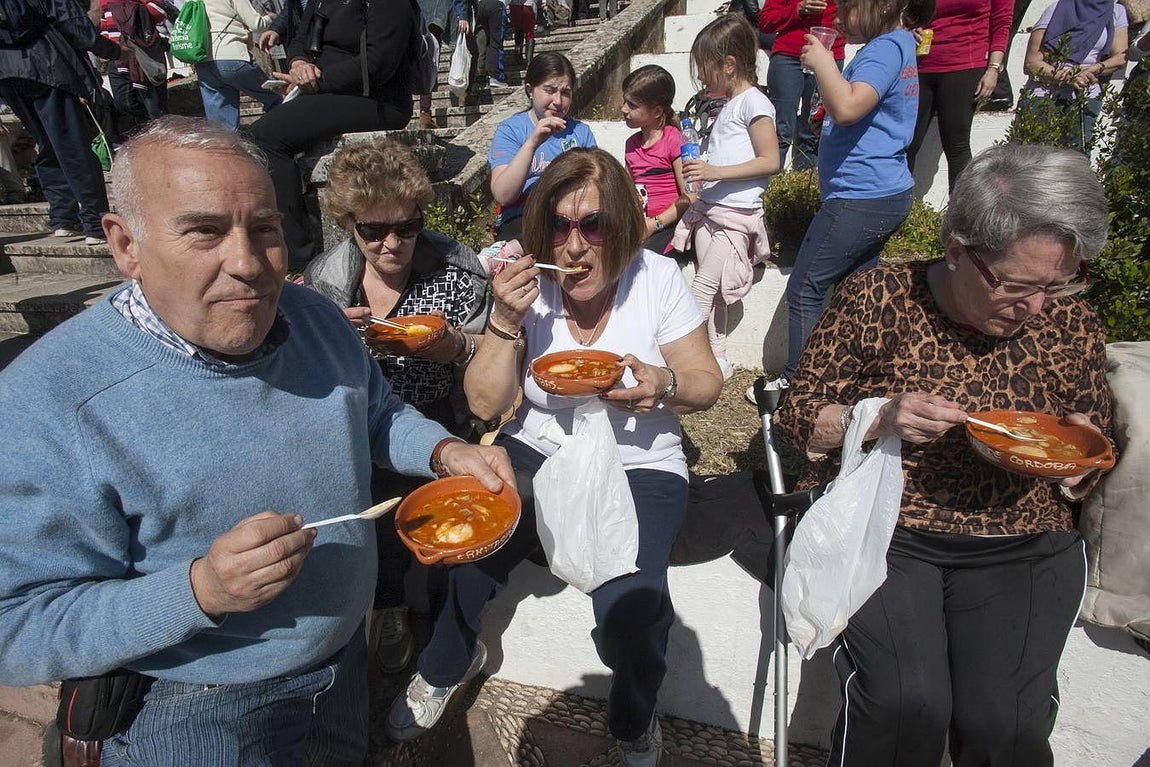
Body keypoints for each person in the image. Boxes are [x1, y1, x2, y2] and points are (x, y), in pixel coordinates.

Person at [0, 116, 513, 765]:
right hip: (195, 706)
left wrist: (444, 451)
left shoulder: (318, 319)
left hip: (342, 663)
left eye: (264, 229)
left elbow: (375, 413)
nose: (247, 264)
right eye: (204, 231)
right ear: (126, 244)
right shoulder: (47, 401)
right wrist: (201, 589)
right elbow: (17, 626)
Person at [776, 143, 1114, 767]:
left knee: (1004, 728)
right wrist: (876, 417)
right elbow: (798, 421)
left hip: (1024, 538)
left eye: (1056, 286)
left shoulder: (1070, 323)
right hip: (888, 530)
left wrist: (1072, 461)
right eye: (1017, 284)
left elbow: (1094, 447)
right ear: (957, 248)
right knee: (907, 707)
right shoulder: (879, 295)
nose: (1036, 308)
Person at [386, 148, 723, 766]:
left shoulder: (657, 279)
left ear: (622, 225)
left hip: (640, 460)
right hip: (539, 445)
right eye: (559, 227)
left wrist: (663, 385)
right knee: (468, 550)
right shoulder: (529, 291)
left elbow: (705, 381)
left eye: (593, 224)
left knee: (634, 607)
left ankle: (632, 723)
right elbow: (486, 405)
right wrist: (506, 323)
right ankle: (447, 664)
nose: (573, 246)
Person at [302, 136, 492, 673]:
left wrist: (453, 345)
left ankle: (438, 610)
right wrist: (327, 337)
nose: (391, 244)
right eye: (373, 231)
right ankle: (388, 604)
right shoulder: (325, 283)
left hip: (440, 415)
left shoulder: (457, 268)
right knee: (375, 510)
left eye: (405, 228)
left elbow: (486, 357)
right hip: (361, 424)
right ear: (348, 223)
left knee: (444, 512)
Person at [776, 0, 920, 387]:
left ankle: (801, 387)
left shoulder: (884, 49)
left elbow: (848, 107)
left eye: (846, 8)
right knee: (860, 295)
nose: (836, 19)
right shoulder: (900, 43)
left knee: (805, 288)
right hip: (881, 194)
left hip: (861, 196)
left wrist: (823, 63)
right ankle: (857, 378)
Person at [248, 0, 418, 268]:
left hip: (376, 98)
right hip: (326, 90)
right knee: (260, 135)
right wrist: (299, 63)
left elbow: (379, 62)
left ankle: (296, 258)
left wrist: (317, 81)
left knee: (266, 136)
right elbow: (300, 38)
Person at [672, 14, 779, 380]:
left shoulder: (754, 102)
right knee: (711, 288)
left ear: (729, 65)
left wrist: (714, 171)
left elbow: (770, 160)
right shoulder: (729, 106)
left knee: (701, 287)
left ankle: (680, 358)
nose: (702, 78)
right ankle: (716, 356)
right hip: (710, 210)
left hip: (736, 215)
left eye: (706, 69)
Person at [0, 0, 127, 245]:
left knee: (45, 142)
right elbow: (76, 26)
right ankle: (95, 222)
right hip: (47, 66)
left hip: (8, 75)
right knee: (72, 144)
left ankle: (63, 217)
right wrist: (115, 51)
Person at [488, 51, 597, 240]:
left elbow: (596, 185)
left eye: (565, 93)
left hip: (571, 218)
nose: (558, 101)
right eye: (550, 90)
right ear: (530, 90)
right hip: (522, 219)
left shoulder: (581, 133)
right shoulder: (511, 130)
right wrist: (532, 143)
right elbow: (503, 195)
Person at [906, 0, 1012, 190]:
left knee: (956, 146)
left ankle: (961, 214)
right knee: (907, 143)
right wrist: (908, 29)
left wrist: (993, 69)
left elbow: (1001, 22)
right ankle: (896, 210)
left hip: (965, 65)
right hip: (921, 65)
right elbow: (907, 12)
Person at [1019, 0, 1129, 151]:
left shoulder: (1116, 11)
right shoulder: (1057, 8)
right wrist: (1068, 77)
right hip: (1044, 94)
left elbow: (1121, 57)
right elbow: (1032, 63)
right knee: (1033, 158)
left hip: (1086, 95)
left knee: (1078, 160)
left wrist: (1096, 68)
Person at [760, 0, 846, 170]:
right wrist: (797, 9)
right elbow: (765, 22)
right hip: (788, 55)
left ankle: (803, 188)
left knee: (813, 129)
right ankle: (769, 186)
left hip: (829, 55)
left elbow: (862, 15)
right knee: (780, 128)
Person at [621, 64, 689, 256]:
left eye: (632, 105)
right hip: (643, 224)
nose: (623, 109)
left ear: (657, 112)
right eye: (624, 101)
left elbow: (690, 196)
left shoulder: (673, 139)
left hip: (669, 224)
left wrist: (654, 223)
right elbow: (629, 190)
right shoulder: (631, 144)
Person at [197, 0, 281, 130]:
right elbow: (256, 24)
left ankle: (225, 149)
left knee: (221, 127)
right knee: (275, 99)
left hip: (203, 60)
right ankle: (281, 140)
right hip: (231, 54)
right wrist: (272, 18)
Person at [98, 0, 171, 138]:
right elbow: (105, 18)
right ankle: (149, 135)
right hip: (117, 56)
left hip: (142, 53)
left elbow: (159, 11)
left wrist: (134, 11)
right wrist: (106, 43)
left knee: (154, 107)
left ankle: (164, 138)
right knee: (122, 103)